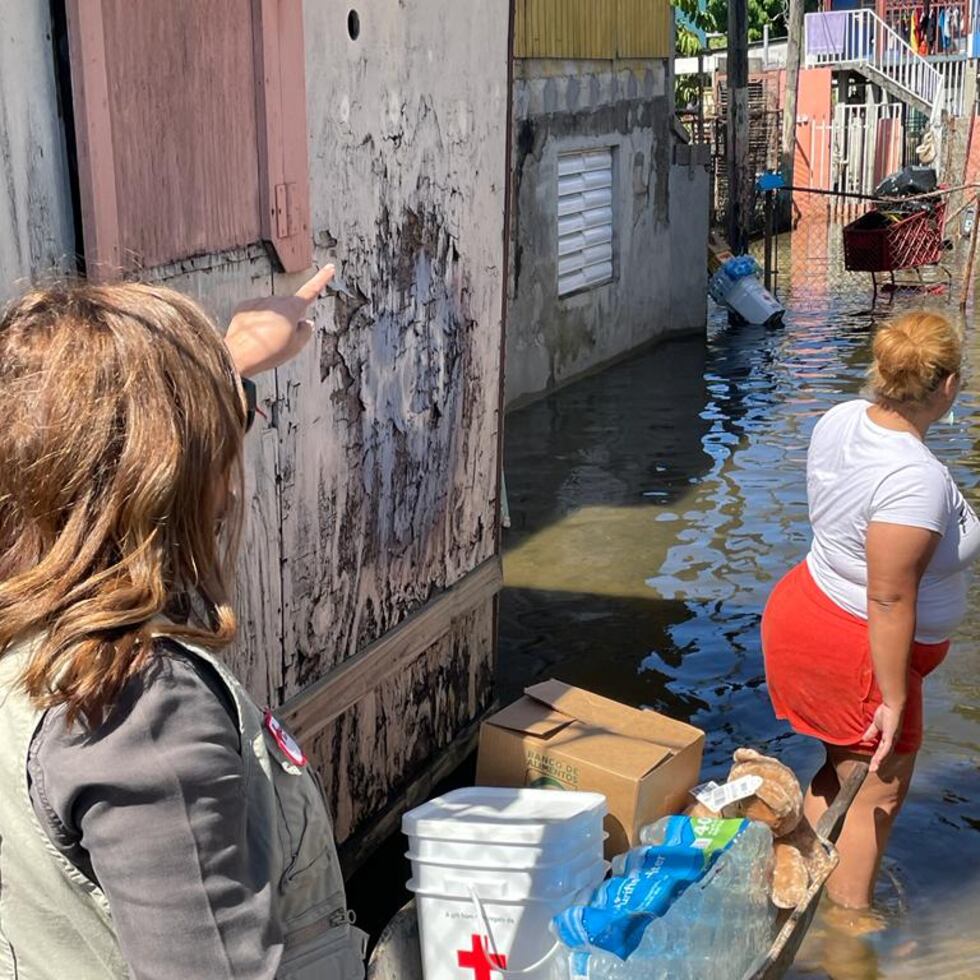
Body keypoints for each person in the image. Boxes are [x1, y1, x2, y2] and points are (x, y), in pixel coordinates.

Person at [0, 267, 368, 978]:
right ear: (170, 472)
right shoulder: (139, 709)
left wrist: (227, 362)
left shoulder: (24, 621)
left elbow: (86, 436)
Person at [762, 310, 980, 911]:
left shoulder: (841, 418)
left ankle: (795, 888)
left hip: (810, 609)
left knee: (842, 772)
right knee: (877, 796)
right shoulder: (912, 479)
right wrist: (894, 697)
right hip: (854, 645)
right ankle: (849, 931)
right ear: (948, 386)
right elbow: (888, 596)